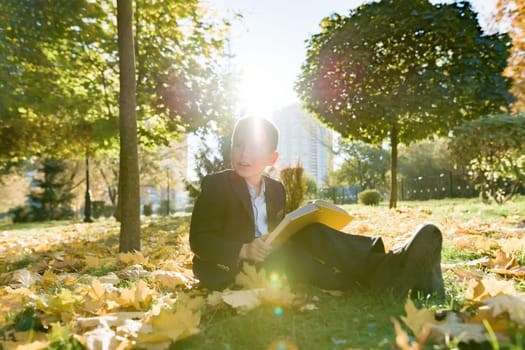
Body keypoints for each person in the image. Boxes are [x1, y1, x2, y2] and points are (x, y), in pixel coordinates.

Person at [189, 116, 444, 298]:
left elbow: (278, 229)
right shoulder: (217, 184)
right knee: (302, 262)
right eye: (238, 145)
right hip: (232, 267)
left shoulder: (276, 189)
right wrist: (244, 250)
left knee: (313, 235)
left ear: (272, 158)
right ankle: (392, 273)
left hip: (272, 257)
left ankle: (395, 273)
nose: (244, 154)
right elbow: (199, 241)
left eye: (254, 147)